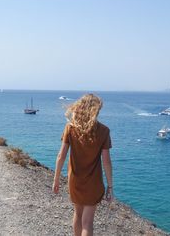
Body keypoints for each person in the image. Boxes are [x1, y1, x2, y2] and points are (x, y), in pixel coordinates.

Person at [53, 93, 113, 236]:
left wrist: (56, 179)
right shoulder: (104, 131)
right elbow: (106, 162)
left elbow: (61, 156)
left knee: (78, 215)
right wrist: (110, 186)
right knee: (87, 223)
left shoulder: (71, 128)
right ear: (95, 110)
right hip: (93, 183)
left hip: (74, 180)